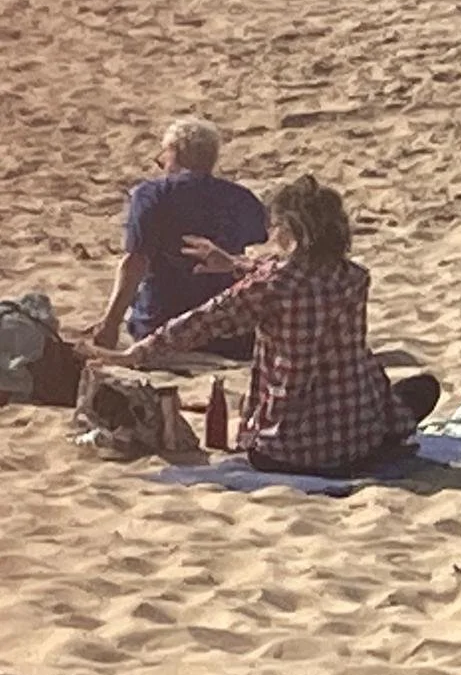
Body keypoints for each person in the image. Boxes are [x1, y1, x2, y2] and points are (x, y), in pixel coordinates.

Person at [80, 175, 438, 477]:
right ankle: (380, 439)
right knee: (423, 388)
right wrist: (235, 264)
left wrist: (138, 352)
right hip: (360, 437)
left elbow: (203, 321)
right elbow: (299, 275)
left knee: (258, 430)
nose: (270, 232)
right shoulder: (355, 278)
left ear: (291, 231)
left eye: (275, 226)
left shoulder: (270, 286)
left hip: (286, 449)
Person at [90, 118, 268, 361]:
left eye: (164, 156)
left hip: (160, 327)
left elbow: (135, 263)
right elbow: (258, 257)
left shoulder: (151, 194)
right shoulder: (242, 198)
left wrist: (110, 324)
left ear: (176, 152)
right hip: (230, 334)